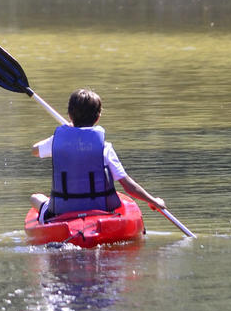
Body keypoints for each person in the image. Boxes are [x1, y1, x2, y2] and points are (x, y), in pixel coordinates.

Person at [30, 88, 165, 223]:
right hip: (100, 210)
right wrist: (153, 201)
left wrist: (62, 135)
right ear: (98, 117)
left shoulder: (56, 141)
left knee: (35, 198)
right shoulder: (105, 147)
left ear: (70, 115)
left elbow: (34, 150)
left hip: (61, 213)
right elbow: (129, 186)